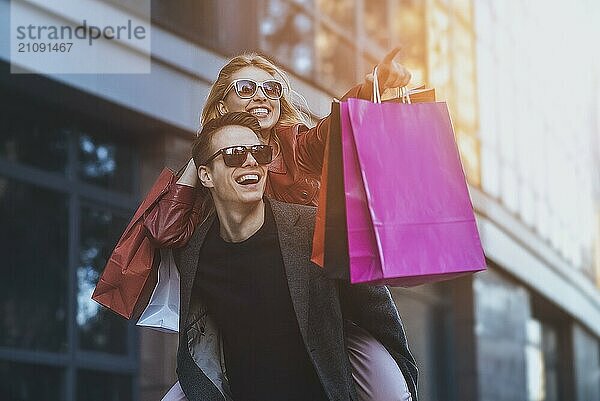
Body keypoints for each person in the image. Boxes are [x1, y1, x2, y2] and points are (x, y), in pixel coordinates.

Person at [171, 112, 416, 401]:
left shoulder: (317, 230)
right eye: (234, 155)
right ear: (206, 175)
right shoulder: (193, 255)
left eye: (259, 152)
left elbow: (379, 318)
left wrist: (405, 384)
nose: (251, 161)